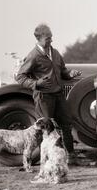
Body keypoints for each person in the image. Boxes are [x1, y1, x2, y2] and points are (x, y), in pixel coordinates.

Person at [16, 24, 82, 165]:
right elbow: (20, 77)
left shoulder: (56, 53)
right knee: (45, 129)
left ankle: (70, 156)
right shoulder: (33, 56)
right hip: (43, 97)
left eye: (51, 37)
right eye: (47, 38)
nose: (51, 40)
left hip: (58, 96)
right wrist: (36, 84)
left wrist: (70, 74)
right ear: (38, 39)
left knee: (66, 125)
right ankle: (43, 160)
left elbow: (63, 71)